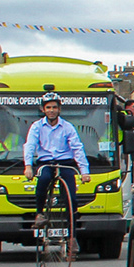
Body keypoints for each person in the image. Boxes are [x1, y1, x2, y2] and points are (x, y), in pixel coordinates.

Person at [23, 90, 88, 228]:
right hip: (46, 162)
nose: (51, 110)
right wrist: (28, 166)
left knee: (71, 197)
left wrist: (84, 171)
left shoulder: (67, 127)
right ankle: (40, 214)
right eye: (48, 107)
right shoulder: (37, 126)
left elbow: (77, 148)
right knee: (43, 180)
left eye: (54, 107)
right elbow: (30, 145)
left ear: (59, 109)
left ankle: (73, 236)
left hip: (65, 163)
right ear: (43, 109)